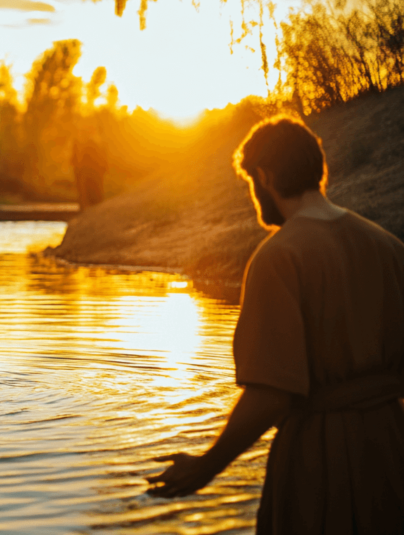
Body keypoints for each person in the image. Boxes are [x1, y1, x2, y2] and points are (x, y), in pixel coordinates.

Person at [147, 116, 404, 533]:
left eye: (251, 182)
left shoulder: (278, 257)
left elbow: (271, 395)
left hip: (319, 461)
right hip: (392, 452)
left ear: (264, 177)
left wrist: (207, 466)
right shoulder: (389, 247)